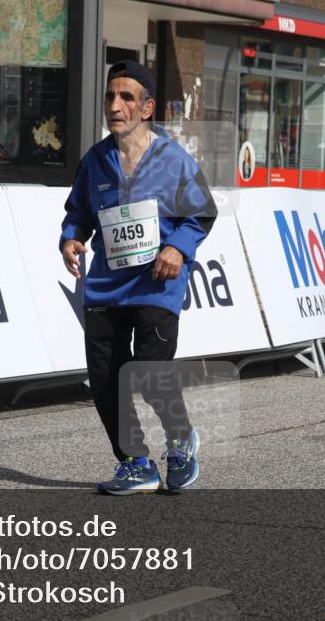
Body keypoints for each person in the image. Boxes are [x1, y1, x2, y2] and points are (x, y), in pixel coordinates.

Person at [59, 60, 216, 495]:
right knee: (106, 379)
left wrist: (177, 247)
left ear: (147, 108)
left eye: (126, 97)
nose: (115, 105)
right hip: (106, 287)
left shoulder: (173, 160)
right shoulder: (95, 161)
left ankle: (181, 439)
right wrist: (71, 238)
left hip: (156, 284)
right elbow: (79, 212)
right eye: (110, 96)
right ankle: (135, 463)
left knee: (148, 374)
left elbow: (202, 213)